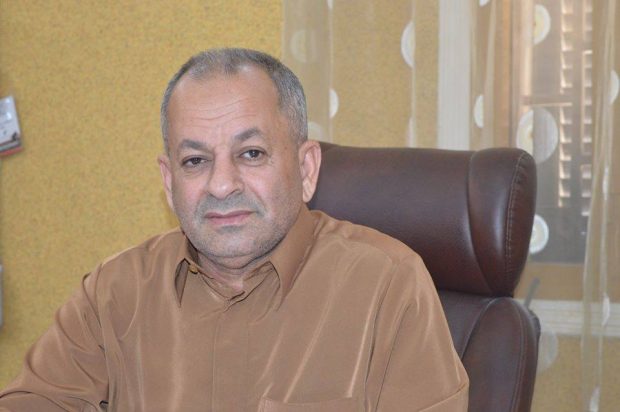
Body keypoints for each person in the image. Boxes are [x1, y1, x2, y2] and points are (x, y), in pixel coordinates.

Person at [0, 48, 468, 411]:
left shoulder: (387, 285)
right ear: (169, 183)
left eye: (251, 154)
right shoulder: (113, 293)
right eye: (195, 161)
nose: (221, 185)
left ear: (306, 168)